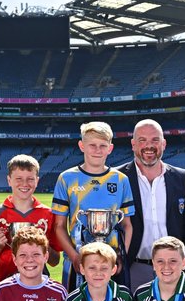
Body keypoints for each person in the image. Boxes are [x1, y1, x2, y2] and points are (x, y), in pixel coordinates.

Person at [52, 121, 135, 289]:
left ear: (110, 148)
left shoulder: (120, 179)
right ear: (82, 146)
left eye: (103, 145)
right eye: (92, 145)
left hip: (110, 262)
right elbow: (59, 226)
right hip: (79, 260)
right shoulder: (66, 178)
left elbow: (127, 225)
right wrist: (74, 256)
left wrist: (120, 254)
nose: (98, 150)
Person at [117, 119, 185, 288]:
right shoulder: (117, 178)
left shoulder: (181, 177)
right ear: (133, 144)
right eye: (142, 140)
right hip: (133, 267)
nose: (149, 146)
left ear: (164, 144)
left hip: (173, 269)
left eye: (155, 140)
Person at [0, 154, 60, 284]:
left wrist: (43, 244)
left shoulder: (48, 214)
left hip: (39, 285)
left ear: (37, 180)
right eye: (18, 179)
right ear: (9, 180)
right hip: (4, 284)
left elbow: (55, 261)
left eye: (30, 179)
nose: (24, 184)